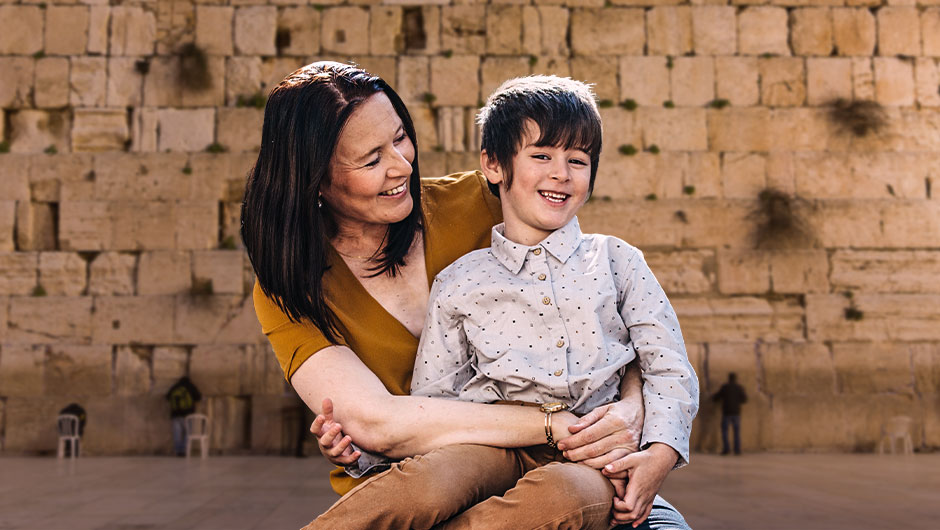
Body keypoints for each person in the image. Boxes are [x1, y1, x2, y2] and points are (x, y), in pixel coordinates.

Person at [242, 61, 693, 529]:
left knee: (571, 499)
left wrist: (632, 413)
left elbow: (618, 319)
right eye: (371, 160)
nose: (402, 166)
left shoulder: (490, 199)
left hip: (584, 460)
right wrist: (551, 422)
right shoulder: (289, 284)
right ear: (314, 179)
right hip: (437, 474)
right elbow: (380, 423)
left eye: (399, 138)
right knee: (429, 486)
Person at [166, 376, 202, 456]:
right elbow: (198, 397)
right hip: (187, 414)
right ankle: (185, 450)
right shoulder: (190, 386)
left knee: (177, 434)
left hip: (175, 414)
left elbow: (167, 397)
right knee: (187, 433)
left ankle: (178, 451)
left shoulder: (176, 386)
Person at [713, 372, 747, 455]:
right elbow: (744, 399)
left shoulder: (725, 387)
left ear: (729, 378)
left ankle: (726, 449)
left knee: (725, 431)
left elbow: (716, 397)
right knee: (736, 432)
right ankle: (737, 450)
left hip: (727, 413)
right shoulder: (739, 388)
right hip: (736, 413)